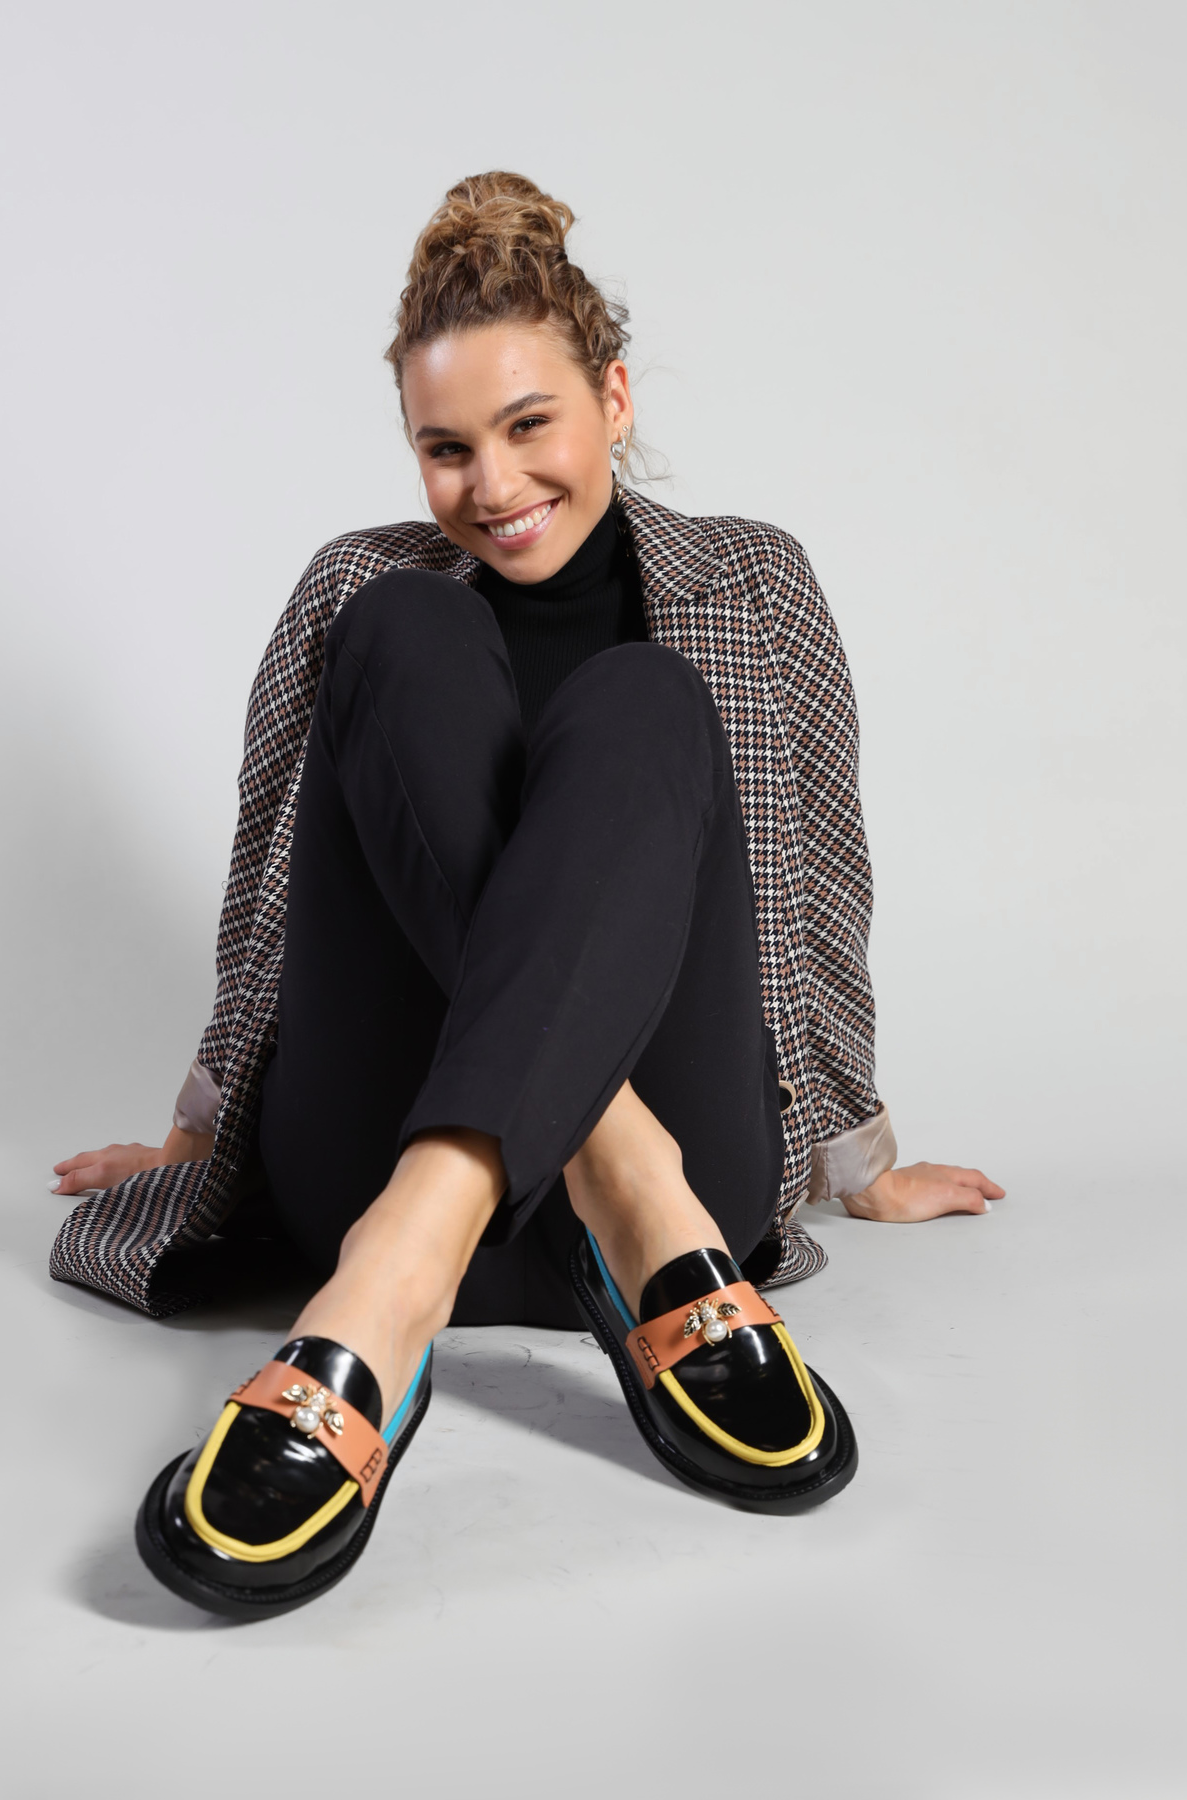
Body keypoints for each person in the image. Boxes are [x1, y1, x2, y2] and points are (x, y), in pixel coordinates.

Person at [50, 173, 1003, 1619]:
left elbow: (822, 879)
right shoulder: (353, 590)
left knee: (643, 703)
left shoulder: (756, 585)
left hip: (676, 1184)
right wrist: (197, 1134)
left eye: (527, 426)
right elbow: (272, 895)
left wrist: (858, 1154)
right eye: (445, 449)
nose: (491, 487)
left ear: (612, 398)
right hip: (383, 1168)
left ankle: (424, 1282)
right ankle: (516, 1207)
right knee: (403, 625)